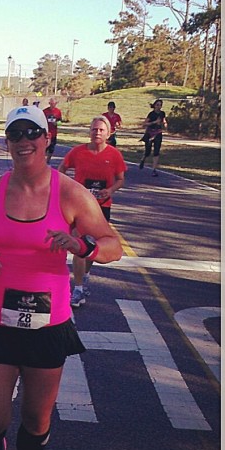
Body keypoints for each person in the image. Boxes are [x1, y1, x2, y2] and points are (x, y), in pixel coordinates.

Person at [0, 105, 122, 450]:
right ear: (7, 142)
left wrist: (82, 246)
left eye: (32, 133)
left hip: (47, 325)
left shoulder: (71, 193)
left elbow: (112, 245)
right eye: (15, 134)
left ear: (47, 139)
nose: (24, 141)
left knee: (36, 419)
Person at [58, 116, 126, 308]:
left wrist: (110, 190)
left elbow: (121, 179)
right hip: (79, 207)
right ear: (89, 132)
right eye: (94, 129)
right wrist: (67, 188)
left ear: (109, 133)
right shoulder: (78, 152)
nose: (97, 133)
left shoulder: (114, 155)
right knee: (79, 245)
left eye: (101, 130)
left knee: (93, 246)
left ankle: (85, 276)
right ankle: (78, 289)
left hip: (101, 206)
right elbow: (62, 168)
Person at [139, 99, 167, 176]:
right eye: (157, 105)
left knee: (156, 151)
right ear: (154, 105)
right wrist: (154, 122)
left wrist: (165, 124)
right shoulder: (151, 114)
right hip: (150, 133)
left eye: (160, 105)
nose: (159, 106)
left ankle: (154, 169)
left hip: (158, 133)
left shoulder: (162, 113)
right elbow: (145, 123)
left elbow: (164, 120)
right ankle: (143, 159)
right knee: (148, 151)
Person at [43, 97, 62, 164]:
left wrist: (56, 123)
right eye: (51, 103)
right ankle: (42, 160)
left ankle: (48, 161)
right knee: (44, 147)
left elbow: (60, 122)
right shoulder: (45, 111)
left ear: (56, 103)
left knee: (51, 148)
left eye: (53, 103)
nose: (52, 105)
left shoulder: (58, 111)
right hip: (46, 132)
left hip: (53, 132)